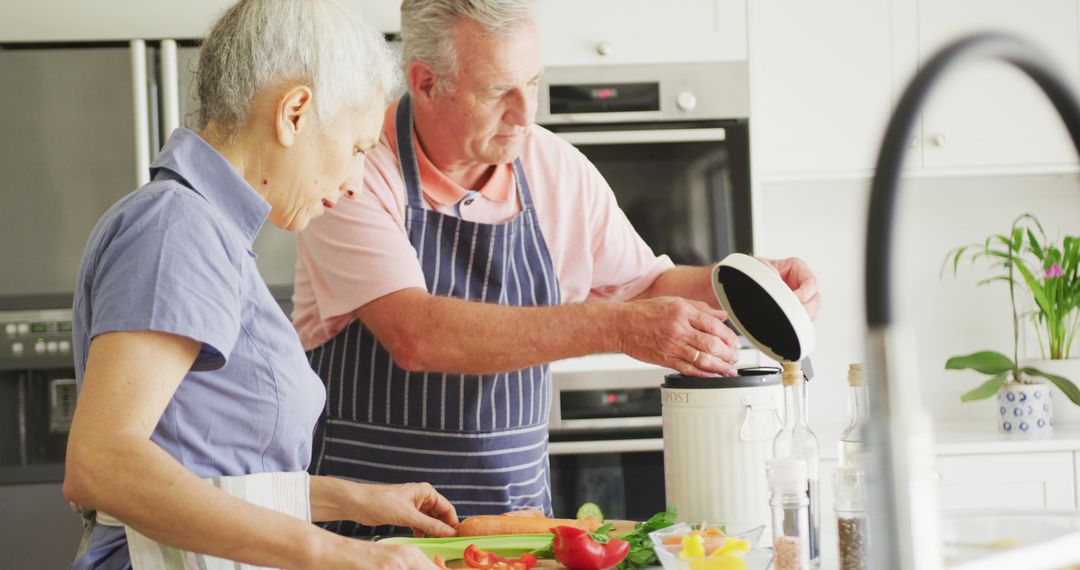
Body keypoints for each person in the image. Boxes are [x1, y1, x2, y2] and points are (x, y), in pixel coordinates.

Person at [292, 0, 822, 536]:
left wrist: (748, 283)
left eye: (534, 83)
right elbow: (417, 334)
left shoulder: (557, 169)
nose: (527, 114)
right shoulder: (354, 167)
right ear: (426, 83)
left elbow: (645, 287)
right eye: (499, 90)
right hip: (366, 536)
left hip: (516, 528)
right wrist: (613, 327)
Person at [62, 1, 457, 568]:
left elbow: (211, 472)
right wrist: (342, 555)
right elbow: (103, 461)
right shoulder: (178, 227)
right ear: (295, 112)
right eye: (359, 149)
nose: (356, 183)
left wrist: (359, 500)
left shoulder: (209, 232)